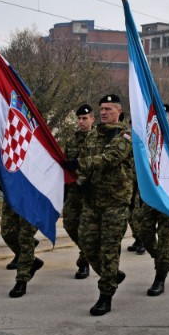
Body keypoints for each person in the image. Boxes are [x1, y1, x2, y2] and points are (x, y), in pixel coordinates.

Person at [72, 94, 134, 316]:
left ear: (119, 111)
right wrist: (81, 178)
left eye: (108, 108)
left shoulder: (126, 136)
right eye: (102, 109)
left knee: (109, 249)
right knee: (87, 244)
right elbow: (87, 164)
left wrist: (80, 163)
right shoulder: (93, 136)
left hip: (115, 202)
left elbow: (111, 158)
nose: (104, 112)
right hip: (92, 200)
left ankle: (105, 294)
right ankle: (112, 275)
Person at [137, 103, 169, 297]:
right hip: (151, 194)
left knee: (164, 236)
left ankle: (160, 277)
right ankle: (163, 259)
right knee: (144, 231)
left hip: (168, 196)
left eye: (166, 116)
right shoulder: (150, 139)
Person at [61, 103, 95, 279]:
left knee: (86, 229)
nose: (81, 122)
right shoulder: (71, 141)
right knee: (69, 224)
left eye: (85, 119)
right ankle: (87, 252)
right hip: (75, 191)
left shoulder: (97, 139)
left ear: (92, 120)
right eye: (79, 119)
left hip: (91, 192)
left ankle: (84, 262)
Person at [1, 202, 44, 297]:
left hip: (31, 195)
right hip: (12, 191)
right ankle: (32, 261)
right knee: (7, 232)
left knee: (25, 237)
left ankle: (22, 279)